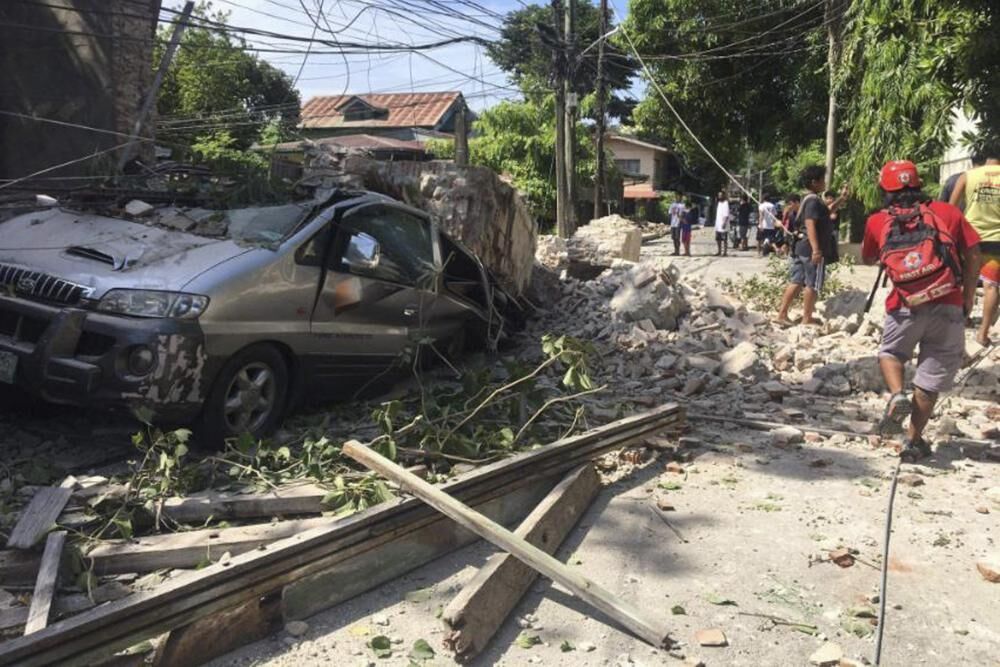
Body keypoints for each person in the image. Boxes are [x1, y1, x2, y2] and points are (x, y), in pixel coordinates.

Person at [862, 160, 981, 461]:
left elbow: (868, 257)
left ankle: (897, 393)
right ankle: (913, 442)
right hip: (948, 301)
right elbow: (973, 252)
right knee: (930, 378)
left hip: (905, 304)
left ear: (884, 189)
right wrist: (968, 296)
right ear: (918, 184)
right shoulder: (949, 212)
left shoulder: (878, 220)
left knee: (891, 353)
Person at [948, 147, 1000, 346]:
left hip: (970, 238)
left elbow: (951, 209)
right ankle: (983, 333)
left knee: (966, 283)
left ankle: (962, 322)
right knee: (992, 286)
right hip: (997, 240)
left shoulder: (968, 176)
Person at [774, 165, 835, 326]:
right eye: (822, 179)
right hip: (810, 249)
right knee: (812, 283)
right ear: (814, 182)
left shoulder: (808, 199)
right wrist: (816, 250)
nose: (824, 182)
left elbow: (824, 214)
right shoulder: (814, 201)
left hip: (800, 247)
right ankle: (807, 318)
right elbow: (810, 224)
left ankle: (782, 314)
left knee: (796, 281)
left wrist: (841, 200)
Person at [713, 191, 730, 256]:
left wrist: (724, 223)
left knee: (724, 239)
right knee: (718, 239)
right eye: (718, 195)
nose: (719, 196)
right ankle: (719, 251)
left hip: (723, 224)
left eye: (720, 195)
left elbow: (726, 215)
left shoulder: (726, 203)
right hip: (718, 224)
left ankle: (725, 252)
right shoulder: (719, 203)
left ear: (724, 196)